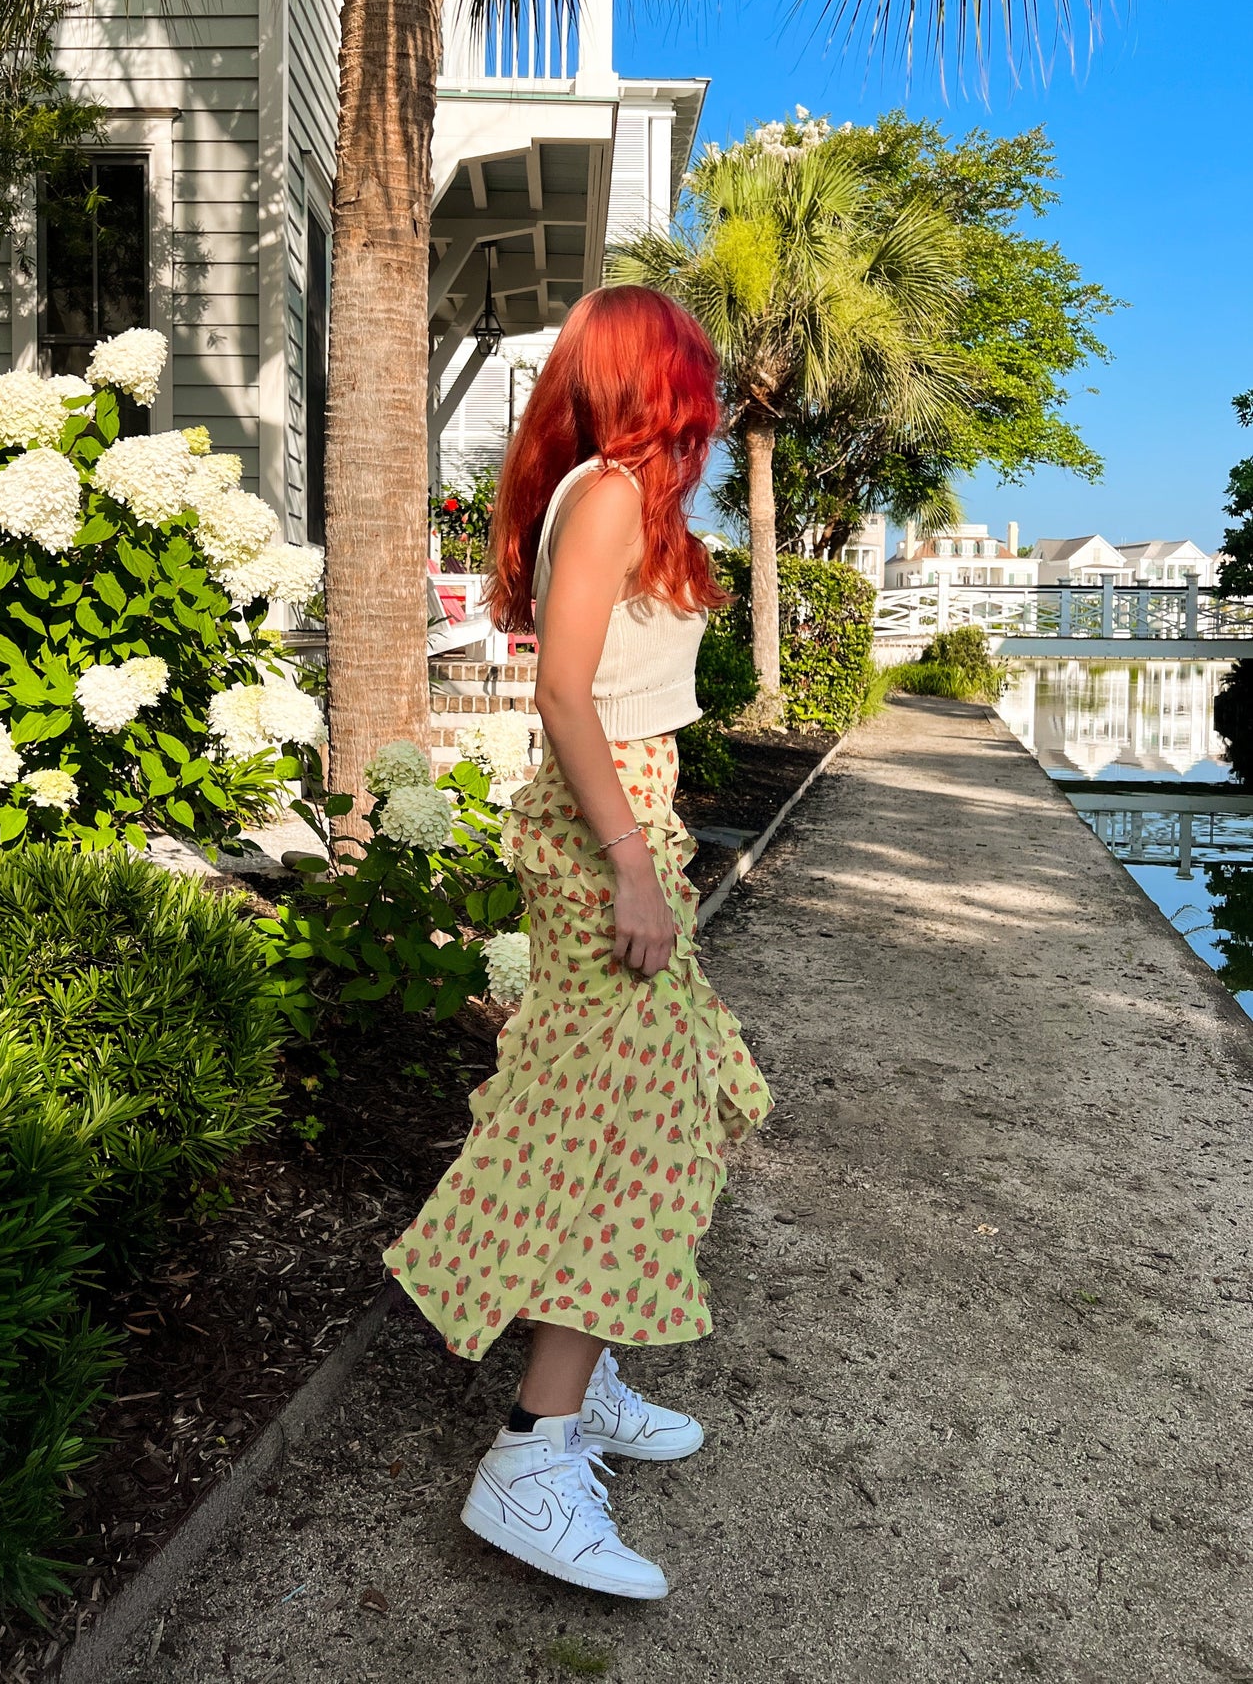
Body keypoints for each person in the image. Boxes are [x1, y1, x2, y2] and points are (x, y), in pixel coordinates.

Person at [383, 285, 770, 1599]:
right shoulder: (606, 494)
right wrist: (628, 869)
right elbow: (559, 690)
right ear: (652, 380)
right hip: (606, 827)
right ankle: (532, 1458)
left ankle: (578, 1384)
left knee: (636, 1110)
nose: (705, 401)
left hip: (623, 810)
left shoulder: (616, 498)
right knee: (633, 1132)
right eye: (693, 376)